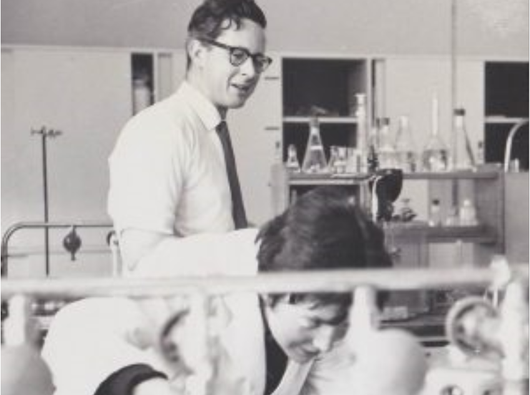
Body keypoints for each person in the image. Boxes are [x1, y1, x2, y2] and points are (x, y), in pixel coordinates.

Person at [42, 187, 393, 395]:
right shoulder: (195, 272)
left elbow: (340, 386)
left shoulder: (327, 312)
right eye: (314, 322)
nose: (325, 343)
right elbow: (75, 328)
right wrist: (145, 386)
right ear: (275, 284)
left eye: (341, 328)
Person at [107, 0, 272, 274]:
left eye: (258, 59)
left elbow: (213, 228)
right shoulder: (159, 129)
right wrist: (242, 247)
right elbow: (143, 256)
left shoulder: (210, 130)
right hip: (177, 313)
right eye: (238, 55)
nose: (251, 72)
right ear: (198, 52)